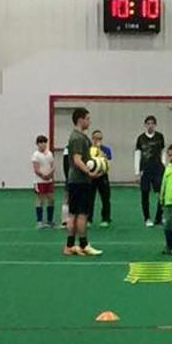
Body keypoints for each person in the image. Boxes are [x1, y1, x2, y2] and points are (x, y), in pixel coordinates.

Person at [64, 108, 103, 257]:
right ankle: (83, 244)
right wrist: (89, 172)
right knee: (81, 214)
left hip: (76, 181)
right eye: (87, 118)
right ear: (80, 119)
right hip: (80, 181)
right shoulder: (78, 138)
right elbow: (77, 160)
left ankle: (69, 246)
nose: (89, 121)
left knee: (74, 214)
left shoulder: (79, 137)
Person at [135, 116, 166, 227]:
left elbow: (163, 151)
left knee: (161, 194)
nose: (150, 125)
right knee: (145, 193)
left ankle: (159, 217)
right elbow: (137, 154)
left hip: (158, 168)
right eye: (148, 123)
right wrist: (137, 171)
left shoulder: (160, 137)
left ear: (155, 125)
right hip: (145, 169)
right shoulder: (140, 138)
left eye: (152, 123)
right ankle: (147, 218)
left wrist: (163, 165)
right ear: (145, 125)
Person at [89, 130, 112, 228]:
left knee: (105, 198)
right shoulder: (88, 149)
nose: (97, 140)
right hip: (90, 176)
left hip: (102, 176)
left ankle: (106, 218)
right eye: (95, 138)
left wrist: (100, 151)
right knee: (89, 198)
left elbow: (108, 163)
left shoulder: (106, 149)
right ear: (92, 138)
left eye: (99, 138)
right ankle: (89, 219)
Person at [31, 135, 55, 229]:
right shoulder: (36, 155)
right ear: (37, 144)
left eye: (45, 142)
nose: (43, 144)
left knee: (51, 199)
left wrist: (50, 175)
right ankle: (39, 221)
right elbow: (36, 169)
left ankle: (50, 220)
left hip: (49, 181)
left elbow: (52, 166)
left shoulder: (49, 154)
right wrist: (43, 176)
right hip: (39, 181)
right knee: (40, 200)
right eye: (41, 143)